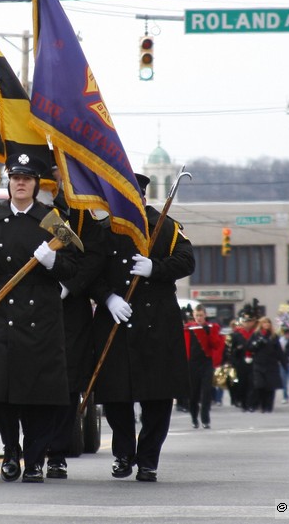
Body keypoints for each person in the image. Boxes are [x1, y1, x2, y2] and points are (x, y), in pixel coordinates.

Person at [0, 152, 80, 484]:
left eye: (27, 178)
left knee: (38, 397)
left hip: (41, 319)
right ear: (8, 182)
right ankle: (11, 453)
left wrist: (53, 262)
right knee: (2, 396)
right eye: (16, 178)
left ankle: (36, 458)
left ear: (35, 184)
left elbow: (73, 267)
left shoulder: (54, 221)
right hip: (1, 318)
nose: (21, 183)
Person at [89, 172, 193, 483]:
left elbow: (187, 262)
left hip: (157, 322)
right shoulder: (105, 229)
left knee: (157, 398)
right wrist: (107, 298)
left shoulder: (167, 226)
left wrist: (155, 269)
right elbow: (90, 273)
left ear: (144, 197)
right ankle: (123, 454)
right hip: (117, 321)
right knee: (116, 396)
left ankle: (148, 459)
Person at [42, 167, 107, 479]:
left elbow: (92, 256)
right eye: (56, 174)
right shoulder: (40, 211)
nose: (61, 180)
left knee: (68, 385)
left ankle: (58, 451)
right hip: (35, 307)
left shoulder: (80, 214)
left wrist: (71, 285)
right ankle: (28, 448)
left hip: (70, 309)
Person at [184, 305, 223, 429]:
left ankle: (205, 419)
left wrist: (209, 332)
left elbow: (216, 345)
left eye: (201, 315)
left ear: (205, 315)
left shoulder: (212, 327)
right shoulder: (188, 328)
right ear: (193, 316)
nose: (199, 318)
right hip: (192, 364)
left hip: (206, 363)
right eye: (197, 315)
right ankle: (194, 418)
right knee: (193, 394)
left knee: (206, 392)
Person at [248, 316, 286, 413]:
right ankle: (259, 404)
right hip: (259, 363)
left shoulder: (273, 336)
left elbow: (279, 351)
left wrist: (284, 362)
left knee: (270, 387)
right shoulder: (256, 335)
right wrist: (257, 343)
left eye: (268, 323)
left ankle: (268, 406)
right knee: (259, 385)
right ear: (261, 324)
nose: (267, 325)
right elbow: (249, 347)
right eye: (264, 323)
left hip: (271, 364)